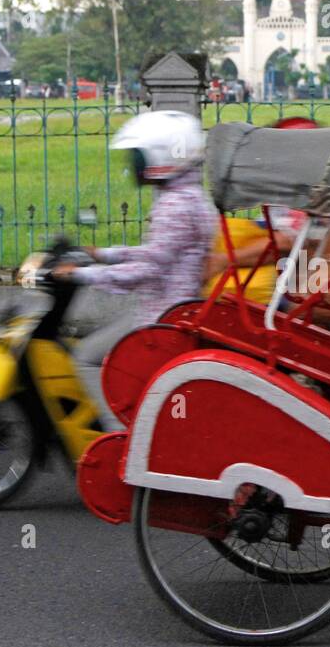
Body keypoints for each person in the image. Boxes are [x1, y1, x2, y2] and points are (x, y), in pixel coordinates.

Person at [54, 110, 218, 429]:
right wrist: (103, 254)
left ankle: (121, 439)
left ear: (162, 155)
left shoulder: (175, 205)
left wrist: (82, 274)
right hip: (175, 309)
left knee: (86, 356)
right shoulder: (189, 195)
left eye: (139, 156)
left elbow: (147, 271)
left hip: (163, 318)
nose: (134, 165)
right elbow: (159, 254)